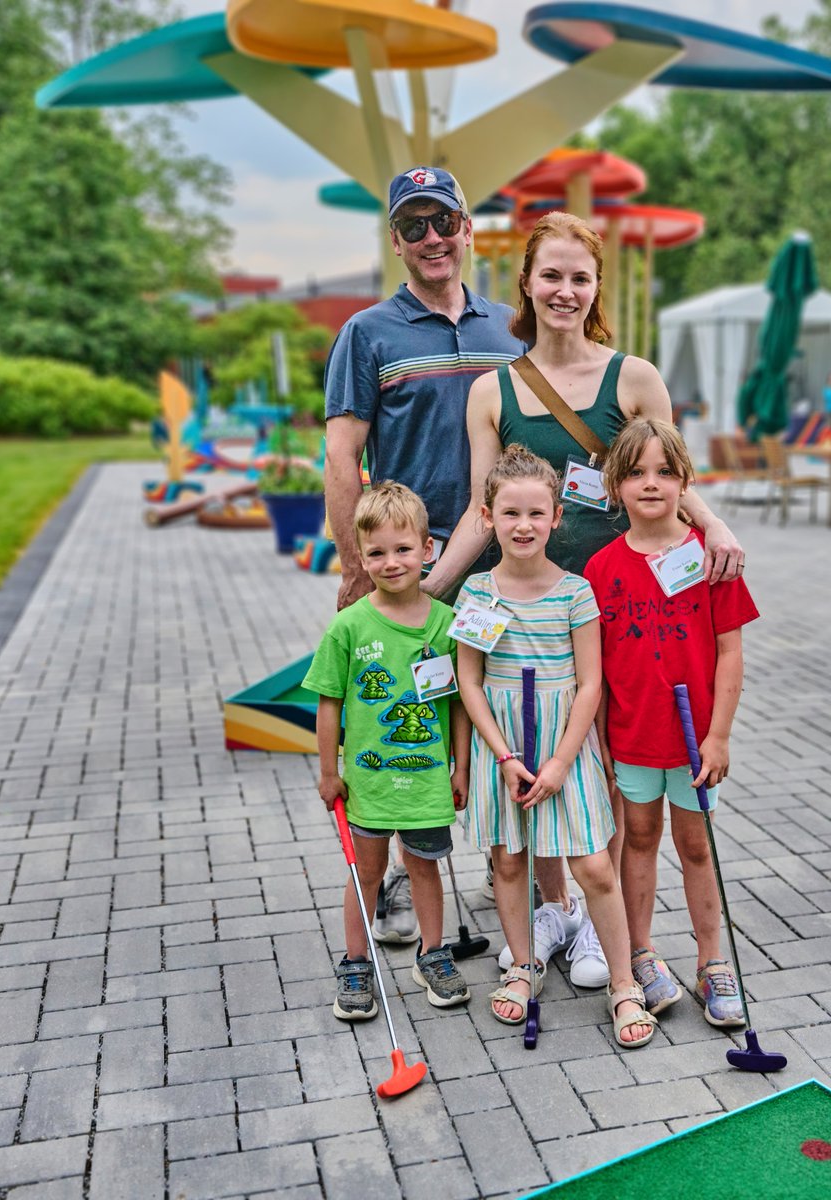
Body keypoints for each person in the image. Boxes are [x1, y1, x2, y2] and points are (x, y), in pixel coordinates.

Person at [425, 211, 745, 986]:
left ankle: (610, 929)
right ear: (527, 285)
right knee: (538, 752)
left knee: (611, 770)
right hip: (528, 609)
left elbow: (671, 474)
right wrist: (423, 595)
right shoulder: (492, 391)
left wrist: (717, 526)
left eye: (579, 277)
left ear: (595, 287)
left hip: (620, 606)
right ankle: (557, 907)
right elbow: (479, 508)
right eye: (551, 276)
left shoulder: (633, 377)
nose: (564, 291)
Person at [323, 165, 523, 938]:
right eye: (414, 227)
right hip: (410, 571)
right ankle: (403, 887)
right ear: (397, 242)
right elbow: (343, 459)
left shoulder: (512, 328)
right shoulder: (368, 333)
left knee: (499, 722)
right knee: (404, 728)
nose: (432, 238)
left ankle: (513, 884)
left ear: (468, 228)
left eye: (444, 221)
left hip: (503, 568)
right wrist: (354, 567)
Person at [455, 445, 657, 1049]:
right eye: (510, 513)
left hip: (565, 747)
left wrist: (563, 759)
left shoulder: (575, 592)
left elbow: (592, 682)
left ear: (556, 518)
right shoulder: (476, 593)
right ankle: (523, 964)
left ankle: (623, 982)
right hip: (505, 750)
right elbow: (468, 679)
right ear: (488, 518)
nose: (523, 526)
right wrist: (505, 757)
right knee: (510, 861)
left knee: (594, 864)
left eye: (536, 514)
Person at [583, 418, 759, 1026]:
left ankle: (713, 963)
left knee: (695, 846)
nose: (650, 484)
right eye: (634, 473)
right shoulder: (600, 569)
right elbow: (596, 668)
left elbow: (731, 651)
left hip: (695, 742)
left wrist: (720, 735)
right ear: (614, 487)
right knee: (638, 839)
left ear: (686, 481)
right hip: (633, 736)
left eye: (664, 471)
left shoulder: (708, 558)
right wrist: (602, 737)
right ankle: (640, 953)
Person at [305, 483, 472, 1020]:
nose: (391, 562)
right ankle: (356, 963)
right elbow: (330, 702)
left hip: (427, 778)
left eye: (403, 549)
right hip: (368, 783)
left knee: (425, 868)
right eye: (376, 552)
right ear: (359, 556)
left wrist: (461, 766)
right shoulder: (349, 626)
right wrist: (328, 771)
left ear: (428, 550)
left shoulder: (447, 625)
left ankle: (433, 954)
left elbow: (462, 703)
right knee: (366, 874)